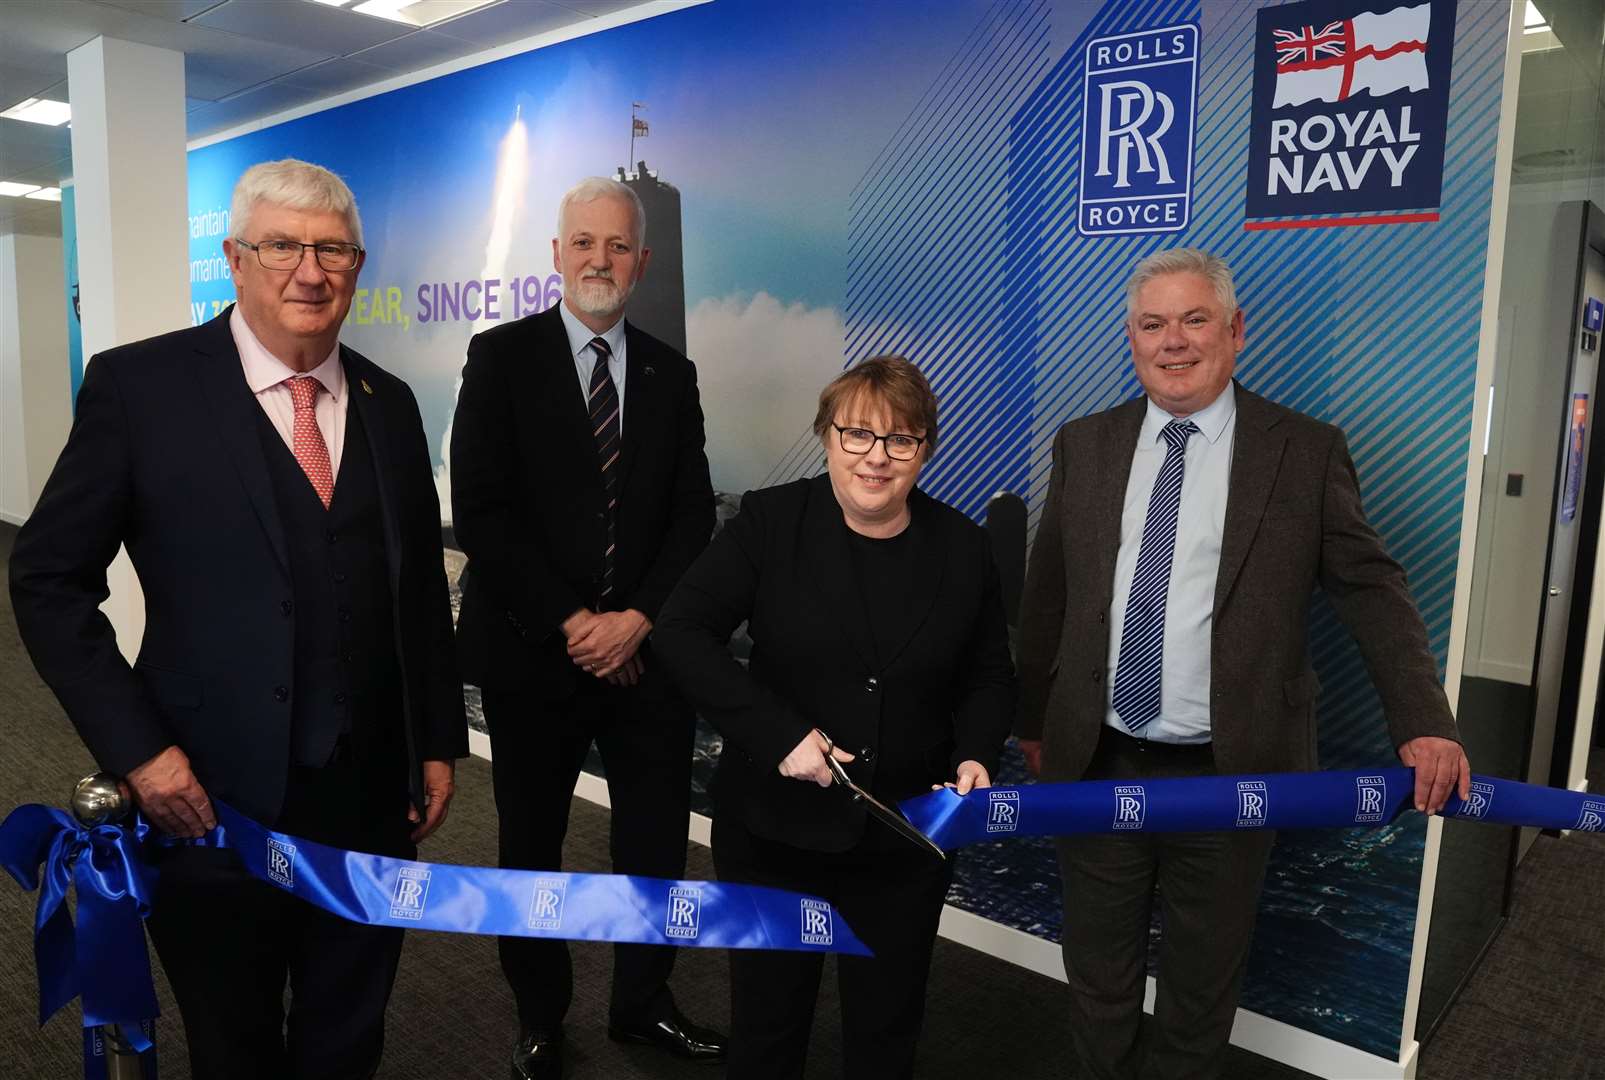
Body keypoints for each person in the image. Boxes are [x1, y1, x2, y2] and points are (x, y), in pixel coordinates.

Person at [9, 158, 466, 1078]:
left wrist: (436, 741)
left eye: (332, 249)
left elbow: (418, 591)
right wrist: (140, 752)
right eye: (282, 245)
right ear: (234, 258)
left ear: (358, 263)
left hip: (370, 798)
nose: (310, 270)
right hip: (206, 799)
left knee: (350, 1032)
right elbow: (48, 578)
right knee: (234, 1040)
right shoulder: (142, 389)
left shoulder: (393, 402)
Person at [1014, 247, 1471, 1080]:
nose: (1173, 342)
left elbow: (1370, 588)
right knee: (1097, 980)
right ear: (1131, 338)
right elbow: (1047, 594)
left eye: (1195, 320)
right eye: (1153, 324)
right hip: (1096, 762)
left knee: (1197, 992)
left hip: (1231, 776)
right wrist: (1029, 724)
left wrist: (1423, 722)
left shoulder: (1302, 450)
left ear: (1235, 332)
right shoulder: (1084, 443)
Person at [653, 355, 1016, 1079]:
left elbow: (987, 674)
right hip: (772, 830)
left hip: (904, 839)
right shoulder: (770, 521)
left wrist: (976, 753)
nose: (876, 458)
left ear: (925, 449)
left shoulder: (964, 546)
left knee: (885, 1032)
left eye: (900, 440)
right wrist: (777, 734)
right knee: (767, 1028)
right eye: (856, 435)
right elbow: (680, 631)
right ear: (826, 437)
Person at [449, 176, 722, 1078]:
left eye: (618, 246)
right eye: (583, 243)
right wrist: (575, 622)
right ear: (557, 254)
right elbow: (483, 515)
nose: (599, 260)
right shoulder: (499, 357)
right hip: (537, 653)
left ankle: (643, 1005)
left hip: (646, 660)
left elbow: (691, 517)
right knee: (532, 844)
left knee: (653, 844)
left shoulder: (671, 374)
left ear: (641, 262)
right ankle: (539, 1013)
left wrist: (637, 621)